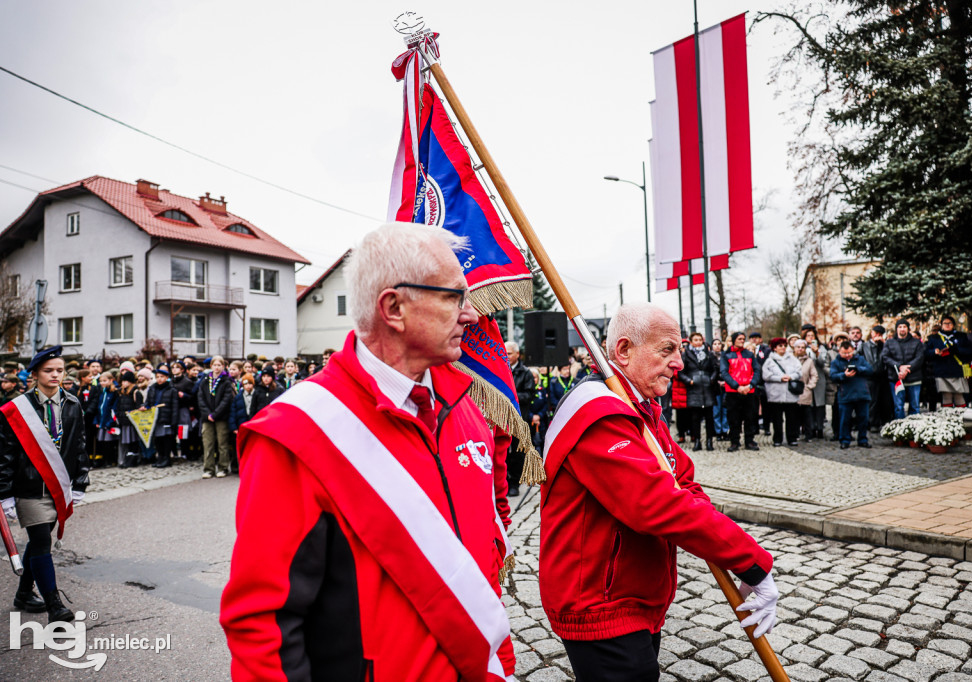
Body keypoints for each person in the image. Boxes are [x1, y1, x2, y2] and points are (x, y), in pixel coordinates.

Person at [221, 222, 515, 681]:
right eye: (455, 296)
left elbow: (485, 565)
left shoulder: (465, 407)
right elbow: (264, 625)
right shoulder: (296, 434)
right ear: (393, 307)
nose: (472, 314)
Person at [539, 304, 777, 681]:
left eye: (680, 350)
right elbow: (656, 503)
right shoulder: (600, 413)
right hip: (600, 603)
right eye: (667, 350)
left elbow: (682, 480)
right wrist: (750, 561)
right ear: (623, 351)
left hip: (634, 596)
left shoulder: (640, 405)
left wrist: (710, 531)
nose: (679, 363)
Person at [0, 345, 89, 623]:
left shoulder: (72, 404)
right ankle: (55, 607)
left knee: (38, 543)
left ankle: (24, 593)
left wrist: (80, 482)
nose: (55, 375)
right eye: (49, 370)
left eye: (60, 370)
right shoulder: (16, 409)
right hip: (28, 489)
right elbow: (5, 454)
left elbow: (79, 446)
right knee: (41, 541)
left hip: (58, 488)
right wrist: (5, 494)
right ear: (35, 374)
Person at [720, 332, 761, 451]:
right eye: (740, 339)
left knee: (750, 417)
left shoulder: (749, 354)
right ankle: (734, 441)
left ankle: (749, 440)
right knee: (734, 418)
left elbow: (756, 370)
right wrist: (737, 386)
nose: (742, 341)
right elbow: (725, 373)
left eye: (744, 339)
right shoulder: (726, 355)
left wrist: (750, 385)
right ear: (733, 340)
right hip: (733, 391)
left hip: (749, 390)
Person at [505, 340, 536, 497]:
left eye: (509, 353)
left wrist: (511, 397)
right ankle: (503, 480)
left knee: (517, 452)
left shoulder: (525, 373)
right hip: (502, 418)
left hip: (519, 418)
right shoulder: (500, 369)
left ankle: (514, 483)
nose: (506, 356)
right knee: (502, 450)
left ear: (517, 354)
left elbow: (529, 395)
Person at [830, 342, 874, 449]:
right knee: (845, 420)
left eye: (849, 352)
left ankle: (862, 439)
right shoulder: (836, 362)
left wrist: (858, 369)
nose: (847, 355)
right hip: (845, 395)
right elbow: (833, 376)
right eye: (844, 353)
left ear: (853, 350)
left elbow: (870, 370)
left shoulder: (860, 359)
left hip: (862, 394)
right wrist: (844, 375)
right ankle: (845, 440)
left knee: (863, 419)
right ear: (839, 351)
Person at [196, 355, 235, 478]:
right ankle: (209, 468)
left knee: (222, 443)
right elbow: (200, 397)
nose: (216, 367)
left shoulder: (226, 381)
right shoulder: (205, 380)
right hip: (206, 417)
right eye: (214, 365)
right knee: (208, 443)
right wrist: (207, 413)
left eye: (219, 365)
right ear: (211, 366)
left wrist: (216, 413)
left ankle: (223, 467)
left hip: (221, 416)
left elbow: (226, 399)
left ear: (223, 366)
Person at [760, 337, 802, 446]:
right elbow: (765, 375)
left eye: (784, 345)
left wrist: (791, 377)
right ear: (774, 348)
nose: (783, 348)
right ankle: (777, 439)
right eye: (780, 346)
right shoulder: (769, 361)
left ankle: (792, 438)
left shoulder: (793, 359)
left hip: (790, 394)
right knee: (777, 419)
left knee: (791, 418)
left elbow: (799, 372)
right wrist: (779, 378)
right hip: (775, 394)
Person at [925, 316, 972, 407]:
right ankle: (947, 418)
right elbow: (926, 353)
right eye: (945, 323)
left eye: (950, 323)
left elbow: (969, 351)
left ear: (953, 325)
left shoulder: (961, 336)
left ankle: (961, 417)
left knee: (959, 396)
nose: (947, 325)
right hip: (942, 370)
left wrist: (956, 350)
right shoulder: (934, 338)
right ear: (942, 325)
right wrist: (934, 352)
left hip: (957, 371)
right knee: (946, 396)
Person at [681, 332, 718, 451]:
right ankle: (697, 441)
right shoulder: (686, 354)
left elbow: (715, 369)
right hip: (694, 388)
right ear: (691, 342)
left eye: (699, 340)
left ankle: (709, 441)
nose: (698, 342)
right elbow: (681, 372)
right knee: (695, 418)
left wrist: (711, 379)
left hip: (707, 388)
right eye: (695, 340)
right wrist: (689, 381)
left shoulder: (709, 354)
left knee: (709, 417)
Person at [881, 319, 925, 419]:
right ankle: (900, 429)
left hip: (914, 379)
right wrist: (899, 366)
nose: (902, 329)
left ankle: (914, 428)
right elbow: (885, 357)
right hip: (896, 379)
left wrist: (907, 369)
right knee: (898, 407)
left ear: (908, 329)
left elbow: (920, 358)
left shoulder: (917, 343)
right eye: (900, 327)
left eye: (904, 327)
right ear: (896, 329)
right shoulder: (889, 342)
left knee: (915, 407)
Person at [145, 368, 179, 468]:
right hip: (155, 418)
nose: (159, 379)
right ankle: (160, 457)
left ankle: (166, 458)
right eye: (158, 377)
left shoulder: (171, 390)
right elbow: (148, 402)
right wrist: (145, 406)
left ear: (167, 378)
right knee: (158, 439)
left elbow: (175, 407)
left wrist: (174, 421)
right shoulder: (152, 388)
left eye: (162, 377)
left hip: (166, 417)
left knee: (166, 439)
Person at [860, 325, 891, 429]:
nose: (877, 336)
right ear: (871, 333)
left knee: (885, 401)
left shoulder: (884, 345)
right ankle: (872, 423)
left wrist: (884, 344)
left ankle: (885, 422)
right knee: (872, 401)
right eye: (875, 333)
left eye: (879, 334)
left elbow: (890, 356)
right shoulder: (864, 346)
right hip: (870, 377)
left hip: (883, 376)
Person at [115, 370, 144, 468]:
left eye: (126, 381)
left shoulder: (136, 392)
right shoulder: (121, 393)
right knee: (126, 441)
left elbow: (138, 407)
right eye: (122, 381)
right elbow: (118, 406)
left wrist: (131, 414)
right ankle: (126, 459)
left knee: (133, 441)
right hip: (124, 421)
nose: (123, 383)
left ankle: (132, 460)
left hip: (132, 421)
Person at [793, 340, 819, 441]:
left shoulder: (809, 361)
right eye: (798, 347)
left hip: (805, 390)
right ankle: (795, 434)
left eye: (802, 347)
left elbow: (814, 375)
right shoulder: (790, 359)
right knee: (794, 415)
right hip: (793, 391)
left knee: (807, 415)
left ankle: (809, 435)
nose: (800, 349)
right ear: (794, 348)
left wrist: (809, 386)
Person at [747, 331, 771, 438]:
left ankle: (766, 427)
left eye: (756, 337)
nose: (754, 340)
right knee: (753, 406)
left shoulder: (765, 350)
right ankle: (755, 427)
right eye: (752, 338)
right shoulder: (746, 351)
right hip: (753, 383)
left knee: (766, 407)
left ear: (760, 339)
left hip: (764, 382)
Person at [710, 339, 729, 439]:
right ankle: (718, 431)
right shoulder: (709, 357)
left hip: (726, 384)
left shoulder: (725, 356)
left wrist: (726, 381)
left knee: (725, 409)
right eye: (715, 344)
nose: (717, 346)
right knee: (716, 410)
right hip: (715, 386)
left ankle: (725, 430)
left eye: (719, 344)